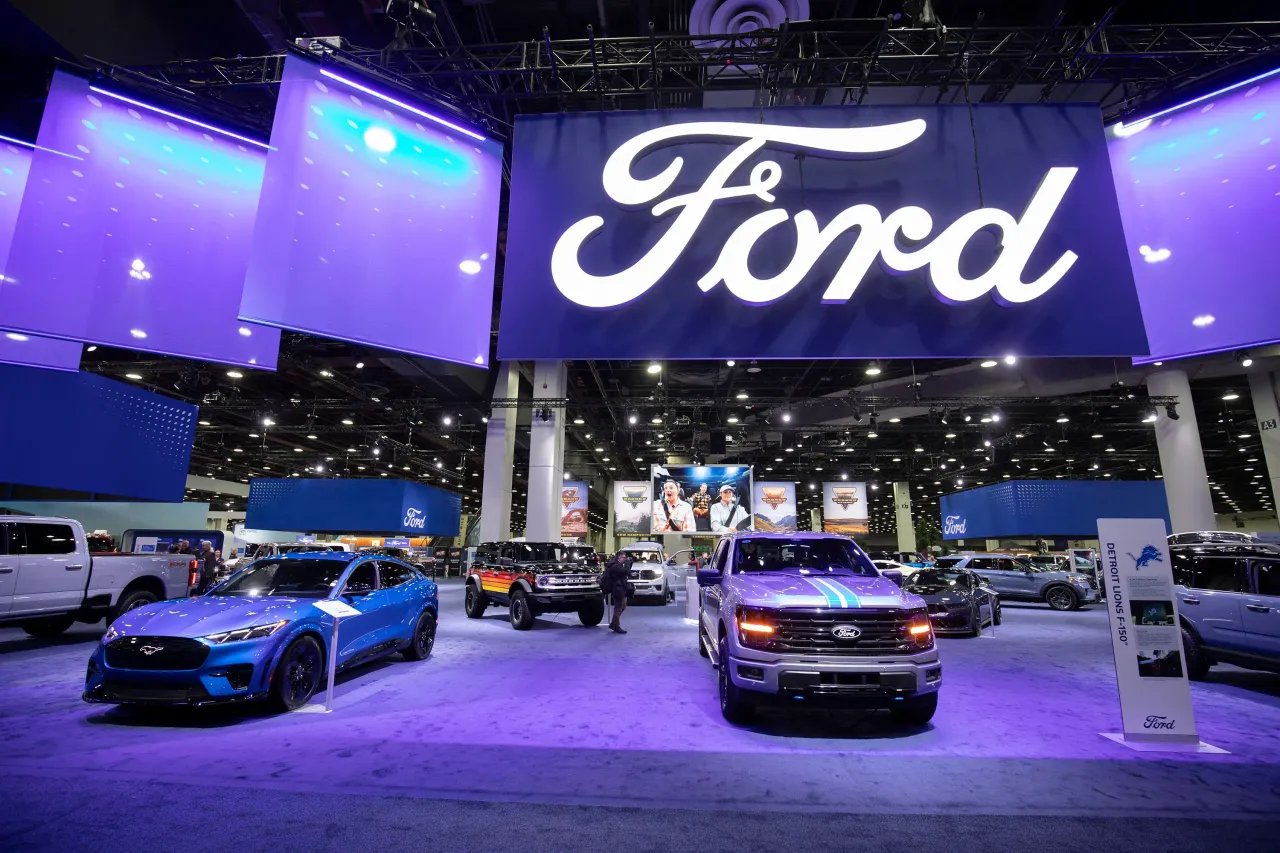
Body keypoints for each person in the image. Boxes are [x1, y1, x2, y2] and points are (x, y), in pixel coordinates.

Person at [602, 552, 633, 634]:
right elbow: (626, 571)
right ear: (619, 558)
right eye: (623, 557)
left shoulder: (617, 565)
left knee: (622, 606)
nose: (625, 559)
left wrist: (629, 563)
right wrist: (627, 564)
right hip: (617, 589)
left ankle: (614, 623)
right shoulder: (615, 566)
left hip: (620, 588)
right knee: (618, 607)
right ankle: (615, 625)